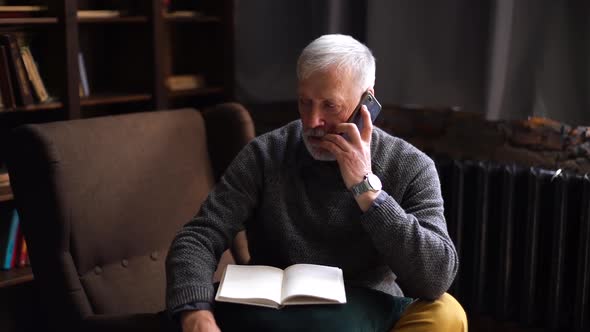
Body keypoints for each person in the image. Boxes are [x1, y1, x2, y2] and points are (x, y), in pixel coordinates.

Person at [166, 34, 467, 331]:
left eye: (329, 106)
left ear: (367, 102)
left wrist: (367, 190)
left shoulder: (410, 165)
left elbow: (435, 277)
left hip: (368, 310)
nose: (311, 122)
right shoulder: (265, 154)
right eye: (304, 102)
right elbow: (200, 236)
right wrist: (195, 314)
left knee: (447, 314)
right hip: (276, 312)